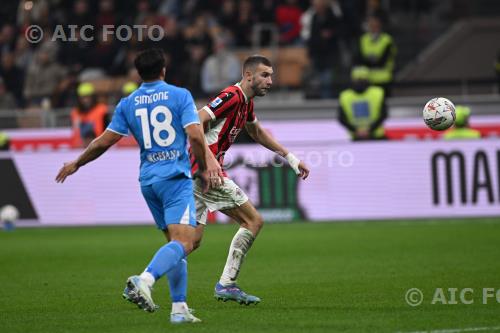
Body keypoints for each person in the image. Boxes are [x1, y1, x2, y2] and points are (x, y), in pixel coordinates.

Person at [55, 48, 214, 324]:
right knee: (186, 242)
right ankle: (144, 280)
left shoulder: (128, 103)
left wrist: (77, 163)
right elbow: (196, 137)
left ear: (138, 74)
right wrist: (203, 168)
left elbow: (104, 141)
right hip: (175, 179)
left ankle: (179, 309)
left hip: (149, 181)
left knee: (174, 245)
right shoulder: (180, 95)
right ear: (163, 69)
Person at [191, 55, 310, 304]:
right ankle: (227, 284)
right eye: (265, 75)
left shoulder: (246, 103)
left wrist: (290, 158)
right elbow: (195, 121)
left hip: (196, 174)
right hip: (204, 172)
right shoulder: (232, 96)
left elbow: (255, 131)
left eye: (271, 75)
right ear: (248, 76)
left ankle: (143, 281)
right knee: (253, 220)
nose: (270, 80)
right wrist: (210, 161)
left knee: (190, 241)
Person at [338, 66, 387, 140]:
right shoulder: (378, 92)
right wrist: (369, 130)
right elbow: (383, 114)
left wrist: (356, 131)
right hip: (376, 136)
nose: (360, 83)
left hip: (357, 137)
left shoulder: (345, 96)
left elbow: (342, 118)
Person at [357, 15, 396, 96]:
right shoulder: (363, 39)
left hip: (384, 80)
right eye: (371, 25)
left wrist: (369, 61)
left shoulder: (387, 40)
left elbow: (383, 61)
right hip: (368, 79)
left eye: (375, 25)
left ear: (379, 26)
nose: (373, 27)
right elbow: (359, 58)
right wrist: (374, 61)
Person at [70, 82, 109, 148]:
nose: (86, 100)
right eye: (83, 97)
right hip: (78, 148)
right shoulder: (74, 113)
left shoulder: (102, 110)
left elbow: (108, 131)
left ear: (93, 97)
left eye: (88, 97)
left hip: (98, 148)